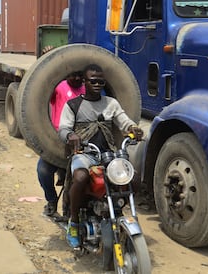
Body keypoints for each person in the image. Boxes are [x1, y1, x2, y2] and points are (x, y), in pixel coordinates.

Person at [58, 64, 144, 248]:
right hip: (85, 154)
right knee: (80, 177)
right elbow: (63, 128)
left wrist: (133, 129)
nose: (97, 84)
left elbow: (124, 121)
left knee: (134, 178)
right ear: (85, 81)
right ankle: (73, 222)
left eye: (101, 81)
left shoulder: (111, 103)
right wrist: (70, 136)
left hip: (108, 154)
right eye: (93, 81)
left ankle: (117, 210)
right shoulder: (73, 105)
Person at [38, 71, 85, 216]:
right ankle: (51, 200)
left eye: (79, 75)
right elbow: (42, 91)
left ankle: (75, 210)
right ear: (66, 75)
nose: (76, 78)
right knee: (43, 171)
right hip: (58, 140)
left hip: (82, 139)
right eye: (73, 75)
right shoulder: (59, 87)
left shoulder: (87, 89)